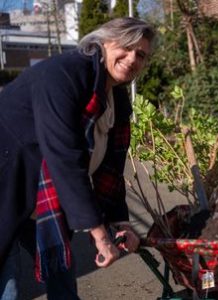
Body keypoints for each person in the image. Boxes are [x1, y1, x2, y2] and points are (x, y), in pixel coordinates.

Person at [0, 17, 155, 299]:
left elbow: (110, 169)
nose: (132, 58)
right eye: (126, 46)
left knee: (61, 271)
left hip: (45, 196)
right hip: (7, 186)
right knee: (7, 284)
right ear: (104, 41)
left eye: (141, 54)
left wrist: (120, 223)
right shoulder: (64, 74)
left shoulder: (116, 99)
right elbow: (65, 158)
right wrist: (99, 235)